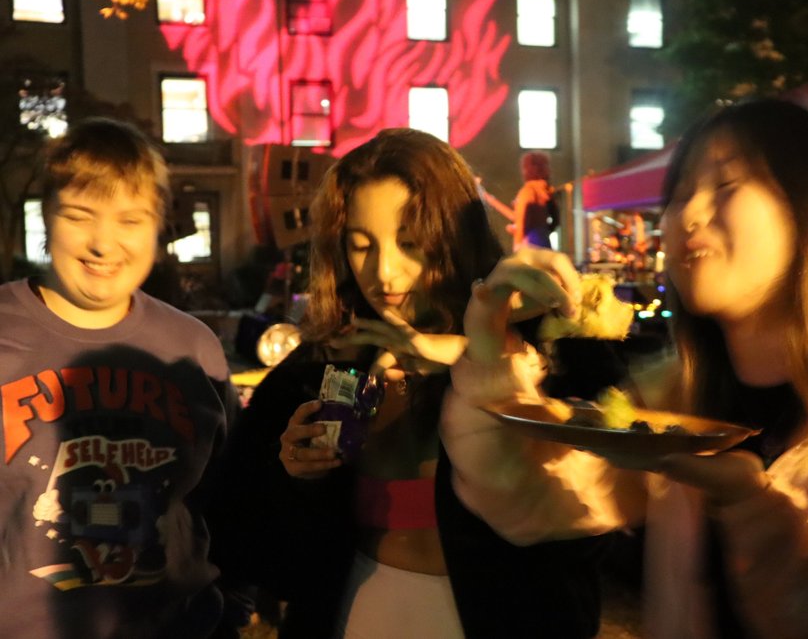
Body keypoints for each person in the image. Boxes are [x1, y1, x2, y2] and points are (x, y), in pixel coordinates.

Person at [441, 99, 808, 638]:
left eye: (725, 186)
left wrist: (754, 514)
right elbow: (531, 502)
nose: (689, 214)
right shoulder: (676, 392)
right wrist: (490, 339)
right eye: (679, 195)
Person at [208, 128, 618, 638]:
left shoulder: (536, 353)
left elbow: (595, 529)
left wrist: (490, 356)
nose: (384, 272)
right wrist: (296, 478)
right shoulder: (315, 372)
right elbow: (253, 552)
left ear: (456, 236)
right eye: (361, 246)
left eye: (409, 243)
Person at [0, 117, 239, 639]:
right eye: (81, 216)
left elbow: (230, 500)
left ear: (158, 226)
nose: (103, 244)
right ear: (46, 217)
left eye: (130, 220)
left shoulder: (194, 348)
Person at [509, 151, 559, 249]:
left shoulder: (527, 190)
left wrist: (518, 243)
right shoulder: (547, 191)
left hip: (528, 243)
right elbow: (556, 220)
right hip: (544, 240)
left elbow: (521, 218)